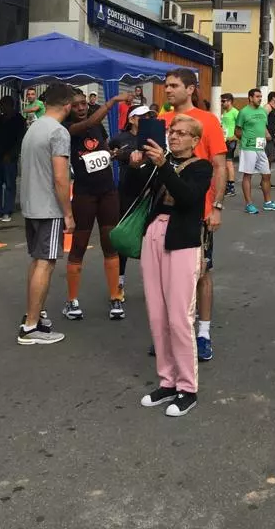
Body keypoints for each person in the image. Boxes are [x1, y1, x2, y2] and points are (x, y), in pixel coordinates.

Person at [128, 114, 212, 418]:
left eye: (181, 133)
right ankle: (167, 380)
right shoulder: (157, 163)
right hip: (153, 234)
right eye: (172, 132)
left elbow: (188, 199)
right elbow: (133, 193)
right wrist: (137, 166)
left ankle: (187, 388)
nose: (174, 137)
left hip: (183, 242)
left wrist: (163, 165)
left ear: (195, 139)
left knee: (179, 317)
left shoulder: (202, 167)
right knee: (157, 314)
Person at [161, 70, 227, 361]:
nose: (167, 90)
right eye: (166, 85)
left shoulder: (208, 120)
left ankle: (203, 332)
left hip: (198, 212)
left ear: (190, 89)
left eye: (174, 85)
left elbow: (220, 165)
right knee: (166, 274)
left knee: (202, 272)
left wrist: (217, 206)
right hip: (162, 212)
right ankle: (170, 331)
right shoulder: (161, 120)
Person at [63, 88, 132, 321]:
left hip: (107, 191)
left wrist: (111, 153)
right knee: (79, 246)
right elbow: (91, 120)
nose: (82, 108)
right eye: (76, 105)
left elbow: (100, 146)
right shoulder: (67, 128)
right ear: (68, 108)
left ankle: (115, 298)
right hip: (84, 194)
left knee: (109, 243)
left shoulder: (96, 125)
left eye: (84, 104)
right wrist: (112, 101)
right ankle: (72, 301)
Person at [17, 83, 75, 346]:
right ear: (67, 106)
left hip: (31, 204)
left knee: (37, 260)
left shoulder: (34, 127)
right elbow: (61, 178)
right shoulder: (58, 132)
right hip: (49, 206)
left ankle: (34, 315)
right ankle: (30, 326)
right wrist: (68, 213)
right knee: (46, 262)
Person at [111, 104, 156, 297]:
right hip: (128, 192)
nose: (147, 119)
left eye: (149, 116)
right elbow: (112, 153)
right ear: (132, 119)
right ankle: (119, 281)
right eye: (143, 116)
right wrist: (123, 155)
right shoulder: (121, 139)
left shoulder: (154, 138)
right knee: (125, 236)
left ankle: (154, 283)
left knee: (152, 238)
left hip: (151, 191)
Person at [235, 88, 275, 214]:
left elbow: (263, 126)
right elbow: (237, 131)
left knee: (266, 174)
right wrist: (246, 140)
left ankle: (268, 202)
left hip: (261, 148)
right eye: (257, 96)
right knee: (248, 175)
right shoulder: (244, 112)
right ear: (250, 98)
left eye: (261, 96)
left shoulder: (262, 111)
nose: (260, 99)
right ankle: (249, 204)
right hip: (248, 148)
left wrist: (268, 136)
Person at [0, 95, 26, 222]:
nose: (1, 107)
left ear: (10, 105)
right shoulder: (1, 118)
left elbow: (19, 139)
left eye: (3, 104)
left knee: (9, 184)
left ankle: (7, 210)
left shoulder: (19, 120)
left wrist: (11, 154)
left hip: (9, 156)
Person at [220, 93, 238, 197]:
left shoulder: (235, 112)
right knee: (224, 164)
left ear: (230, 101)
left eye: (224, 101)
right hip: (224, 140)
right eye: (221, 101)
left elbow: (241, 127)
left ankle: (231, 187)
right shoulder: (225, 112)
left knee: (229, 163)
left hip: (231, 141)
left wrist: (234, 137)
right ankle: (227, 185)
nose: (221, 103)